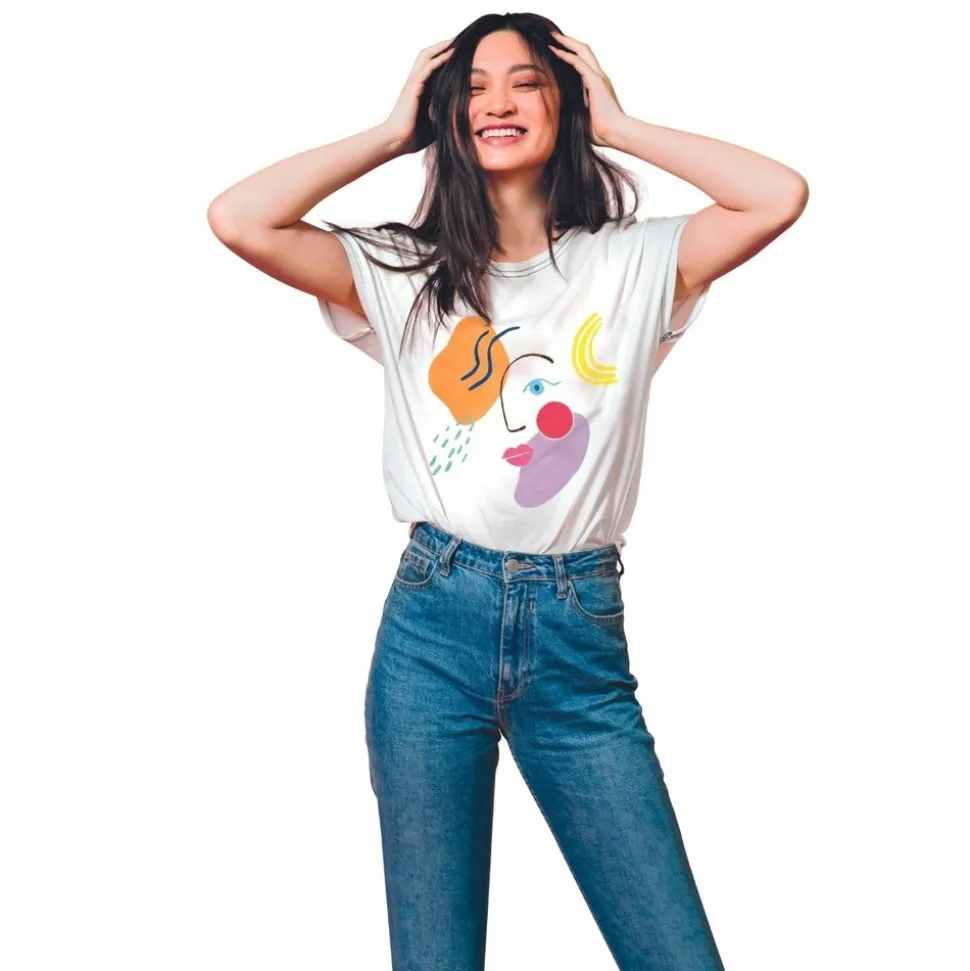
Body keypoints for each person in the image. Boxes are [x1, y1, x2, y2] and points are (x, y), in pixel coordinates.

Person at [207, 12, 808, 970]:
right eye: (475, 87)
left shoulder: (634, 262)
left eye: (527, 82)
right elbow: (240, 218)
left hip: (579, 636)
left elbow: (778, 195)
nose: (499, 102)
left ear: (566, 102)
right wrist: (389, 132)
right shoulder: (401, 269)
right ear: (445, 115)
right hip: (431, 629)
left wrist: (622, 125)